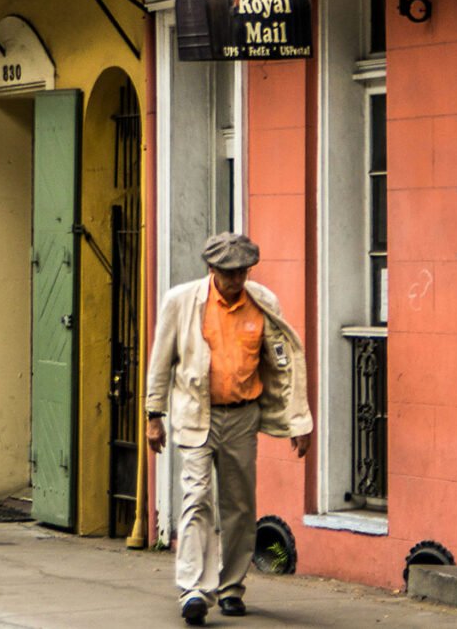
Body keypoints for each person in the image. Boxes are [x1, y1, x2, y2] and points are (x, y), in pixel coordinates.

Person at [145, 232, 313, 626]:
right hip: (195, 413)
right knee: (196, 498)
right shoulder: (182, 302)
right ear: (211, 269)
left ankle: (232, 587)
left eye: (241, 271)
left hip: (242, 416)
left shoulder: (263, 302)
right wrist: (154, 414)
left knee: (239, 506)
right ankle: (193, 590)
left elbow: (284, 366)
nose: (235, 279)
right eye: (227, 272)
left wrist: (298, 420)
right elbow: (160, 360)